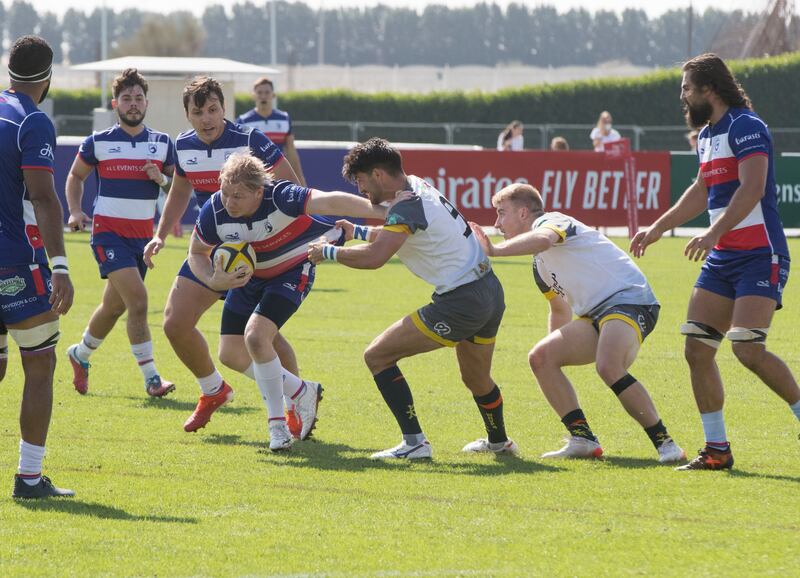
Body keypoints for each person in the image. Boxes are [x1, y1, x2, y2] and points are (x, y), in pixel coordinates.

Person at [631, 53, 800, 471]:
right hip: (724, 258)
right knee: (697, 348)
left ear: (710, 88)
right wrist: (657, 228)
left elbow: (752, 188)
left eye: (687, 88)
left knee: (747, 346)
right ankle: (717, 449)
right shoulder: (707, 134)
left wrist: (713, 233)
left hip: (762, 254)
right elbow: (701, 190)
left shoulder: (747, 126)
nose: (683, 96)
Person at [309, 138, 517, 460]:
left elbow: (376, 258)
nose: (361, 190)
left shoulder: (406, 205)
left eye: (361, 181)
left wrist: (328, 252)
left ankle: (415, 443)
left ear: (378, 174)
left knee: (377, 356)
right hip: (489, 289)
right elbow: (404, 237)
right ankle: (499, 442)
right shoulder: (417, 186)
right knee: (476, 377)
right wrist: (357, 233)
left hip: (461, 301)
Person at [471, 183, 685, 462]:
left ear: (524, 213)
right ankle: (582, 438)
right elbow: (559, 310)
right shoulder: (539, 265)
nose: (497, 223)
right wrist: (554, 356)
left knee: (608, 366)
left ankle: (666, 444)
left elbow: (545, 239)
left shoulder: (552, 221)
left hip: (629, 300)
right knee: (540, 358)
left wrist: (496, 251)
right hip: (596, 315)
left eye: (502, 213)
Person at [189, 152, 389, 450]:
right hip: (250, 278)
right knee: (230, 353)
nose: (229, 202)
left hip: (293, 268)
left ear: (259, 192)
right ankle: (301, 390)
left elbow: (331, 201)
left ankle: (277, 428)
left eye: (238, 196)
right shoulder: (214, 211)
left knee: (256, 338)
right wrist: (212, 280)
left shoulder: (281, 197)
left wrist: (388, 213)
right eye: (225, 193)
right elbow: (196, 253)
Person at [143, 76, 305, 434]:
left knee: (265, 338)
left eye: (213, 109)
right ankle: (213, 390)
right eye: (198, 111)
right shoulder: (183, 146)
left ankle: (297, 404)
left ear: (223, 109)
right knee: (174, 323)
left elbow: (289, 188)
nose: (207, 118)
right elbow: (180, 191)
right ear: (187, 114)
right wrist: (159, 234)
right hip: (210, 250)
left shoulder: (250, 141)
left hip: (258, 253)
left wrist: (286, 241)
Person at [65, 68, 175, 398]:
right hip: (108, 236)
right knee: (138, 302)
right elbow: (74, 177)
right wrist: (74, 209)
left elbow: (177, 188)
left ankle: (79, 354)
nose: (132, 104)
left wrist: (162, 180)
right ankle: (152, 378)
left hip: (141, 242)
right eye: (126, 98)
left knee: (114, 308)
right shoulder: (98, 142)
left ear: (146, 103)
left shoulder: (162, 143)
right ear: (115, 103)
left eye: (138, 98)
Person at [2, 35, 75, 498]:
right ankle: (30, 478)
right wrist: (61, 266)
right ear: (47, 79)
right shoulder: (33, 121)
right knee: (40, 362)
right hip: (14, 261)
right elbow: (45, 196)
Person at [236, 77, 306, 186]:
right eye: (259, 92)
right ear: (253, 95)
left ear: (273, 95)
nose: (263, 96)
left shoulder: (284, 118)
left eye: (267, 92)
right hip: (254, 179)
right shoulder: (243, 121)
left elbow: (291, 151)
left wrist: (300, 179)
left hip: (280, 177)